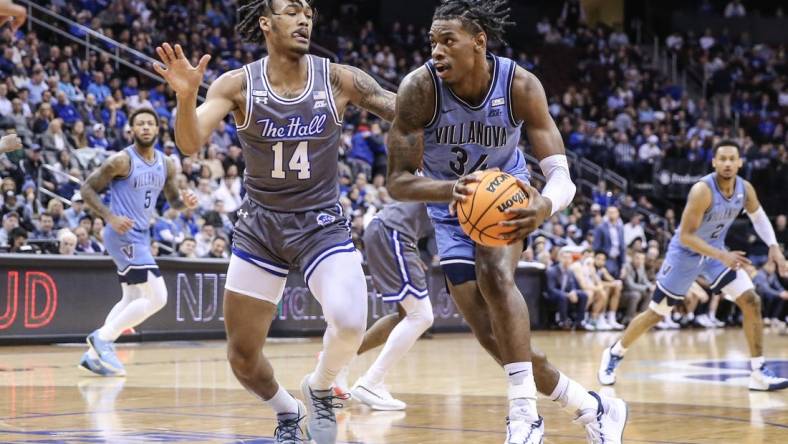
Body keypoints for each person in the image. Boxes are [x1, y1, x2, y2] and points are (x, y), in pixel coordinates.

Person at [154, 1, 397, 442]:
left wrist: (448, 105)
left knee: (349, 321)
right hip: (261, 227)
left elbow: (400, 110)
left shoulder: (338, 78)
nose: (304, 18)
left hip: (319, 222)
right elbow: (189, 143)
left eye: (308, 11)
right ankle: (288, 412)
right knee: (243, 358)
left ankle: (320, 385)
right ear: (266, 23)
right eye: (291, 10)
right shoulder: (237, 84)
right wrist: (186, 96)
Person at [384, 1, 626, 442]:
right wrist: (450, 189)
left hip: (507, 196)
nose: (436, 51)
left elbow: (561, 177)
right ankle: (592, 407)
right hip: (448, 205)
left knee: (496, 277)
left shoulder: (520, 85)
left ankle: (523, 415)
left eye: (447, 41)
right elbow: (398, 182)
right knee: (490, 335)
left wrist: (544, 207)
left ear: (479, 41)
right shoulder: (418, 89)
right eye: (432, 42)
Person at [599, 140, 788, 391]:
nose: (728, 163)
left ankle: (758, 371)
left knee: (751, 300)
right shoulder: (702, 190)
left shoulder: (745, 189)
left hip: (715, 254)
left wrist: (773, 246)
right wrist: (723, 256)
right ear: (714, 162)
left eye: (733, 158)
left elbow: (758, 217)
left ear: (740, 162)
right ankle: (614, 352)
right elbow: (687, 236)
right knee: (656, 313)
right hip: (684, 255)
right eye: (723, 158)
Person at [78, 107, 198, 377]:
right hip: (122, 233)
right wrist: (109, 216)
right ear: (131, 130)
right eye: (140, 124)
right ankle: (103, 338)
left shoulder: (166, 163)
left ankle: (93, 355)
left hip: (141, 234)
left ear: (157, 129)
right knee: (158, 297)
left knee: (131, 297)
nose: (145, 127)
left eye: (150, 123)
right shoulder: (121, 161)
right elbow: (86, 189)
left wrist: (185, 204)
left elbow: (173, 200)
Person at [337, 202, 434, 411]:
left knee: (406, 317)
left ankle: (339, 362)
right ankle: (371, 382)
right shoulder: (465, 179)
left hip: (391, 229)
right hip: (394, 231)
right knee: (421, 316)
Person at [545, 247, 590, 330]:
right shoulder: (552, 271)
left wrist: (573, 292)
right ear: (559, 258)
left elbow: (574, 286)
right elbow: (551, 289)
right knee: (563, 296)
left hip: (566, 295)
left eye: (569, 258)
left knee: (584, 295)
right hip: (553, 295)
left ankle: (579, 322)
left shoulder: (570, 271)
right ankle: (563, 322)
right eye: (564, 257)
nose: (567, 260)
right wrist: (567, 294)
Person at [593, 206, 626, 278]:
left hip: (617, 259)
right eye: (610, 212)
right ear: (607, 214)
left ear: (618, 214)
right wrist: (599, 261)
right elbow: (596, 246)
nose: (612, 214)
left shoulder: (620, 228)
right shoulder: (601, 227)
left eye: (614, 212)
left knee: (618, 279)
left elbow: (623, 246)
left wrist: (623, 264)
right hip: (606, 259)